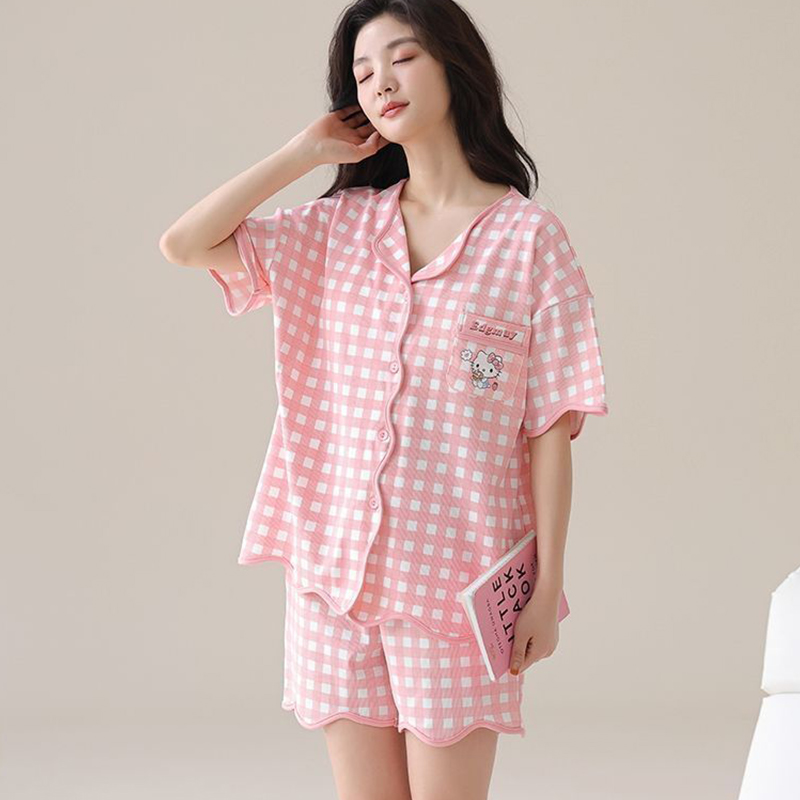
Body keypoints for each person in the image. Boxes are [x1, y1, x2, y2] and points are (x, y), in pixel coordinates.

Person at [159, 1, 609, 797]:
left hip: (458, 585)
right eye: (363, 74)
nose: (381, 83)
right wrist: (303, 152)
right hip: (334, 581)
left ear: (454, 65)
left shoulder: (529, 241)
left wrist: (546, 589)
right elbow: (186, 244)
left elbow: (549, 432)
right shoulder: (334, 230)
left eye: (402, 58)